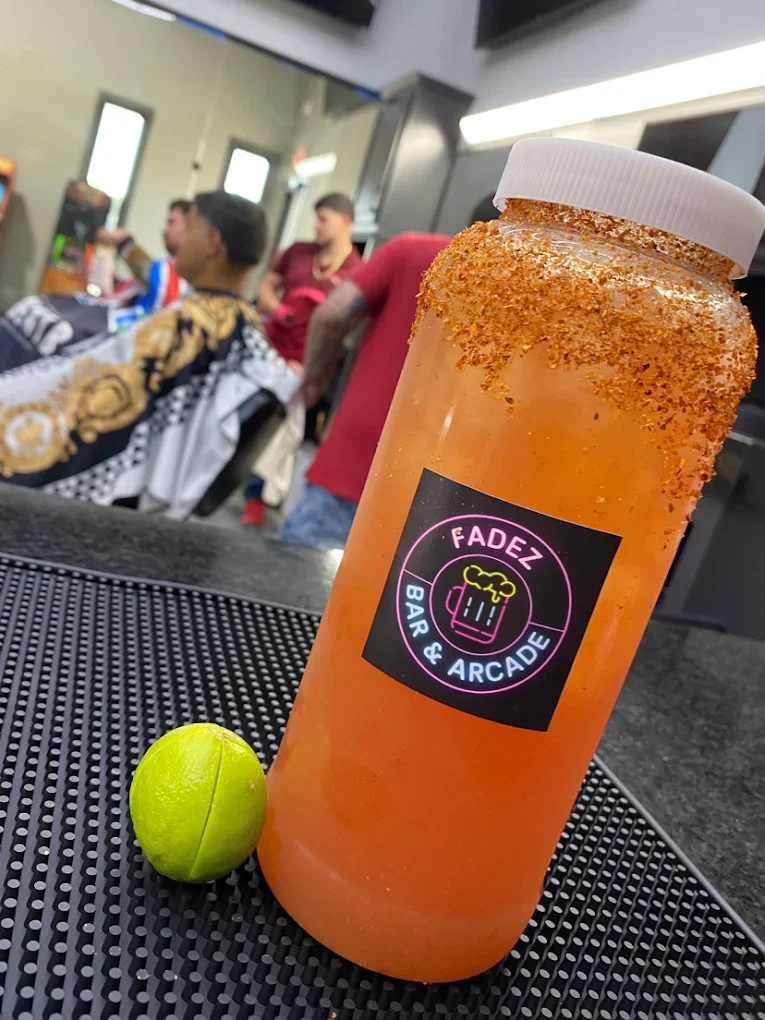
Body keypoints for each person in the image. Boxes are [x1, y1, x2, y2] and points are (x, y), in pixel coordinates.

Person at [0, 192, 298, 516]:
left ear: (213, 241)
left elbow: (90, 400)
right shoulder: (242, 327)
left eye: (189, 227)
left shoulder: (189, 323)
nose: (180, 238)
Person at [280, 195, 502, 549]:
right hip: (443, 498)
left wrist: (313, 385)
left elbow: (332, 314)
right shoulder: (547, 299)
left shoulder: (411, 251)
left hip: (359, 459)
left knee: (293, 585)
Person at [241, 192, 361, 525]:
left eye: (324, 219)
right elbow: (266, 287)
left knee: (285, 431)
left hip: (310, 366)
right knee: (250, 416)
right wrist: (278, 309)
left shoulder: (356, 272)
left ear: (345, 222)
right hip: (271, 353)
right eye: (316, 218)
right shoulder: (297, 253)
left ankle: (258, 495)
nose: (316, 226)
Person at [96, 198, 191, 315]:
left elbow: (163, 291)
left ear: (191, 228)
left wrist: (125, 244)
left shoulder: (190, 275)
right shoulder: (168, 266)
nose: (163, 230)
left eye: (171, 222)